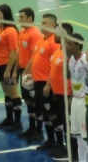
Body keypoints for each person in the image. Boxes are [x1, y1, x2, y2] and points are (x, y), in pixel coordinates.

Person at [23, 13, 60, 149]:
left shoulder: (54, 43)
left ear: (52, 25)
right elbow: (33, 58)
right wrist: (26, 72)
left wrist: (49, 85)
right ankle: (50, 140)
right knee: (44, 113)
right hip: (38, 83)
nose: (41, 24)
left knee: (52, 114)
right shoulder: (41, 40)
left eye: (44, 22)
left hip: (46, 84)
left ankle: (58, 142)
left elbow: (55, 66)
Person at [66, 31, 88, 162]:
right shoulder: (71, 60)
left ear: (78, 45)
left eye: (69, 43)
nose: (66, 46)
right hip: (76, 101)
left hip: (85, 101)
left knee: (87, 136)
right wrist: (71, 97)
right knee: (77, 135)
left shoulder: (85, 60)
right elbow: (74, 81)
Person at [0, 4, 22, 131]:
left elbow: (13, 52)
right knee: (6, 92)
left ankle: (17, 122)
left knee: (13, 93)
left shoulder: (11, 31)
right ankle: (9, 118)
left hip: (8, 64)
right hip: (0, 64)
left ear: (5, 15)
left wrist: (8, 70)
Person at [46, 22, 73, 161]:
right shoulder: (58, 50)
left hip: (66, 94)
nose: (54, 34)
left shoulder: (69, 54)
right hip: (57, 93)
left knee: (69, 125)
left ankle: (72, 153)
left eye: (57, 32)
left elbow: (75, 77)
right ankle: (66, 148)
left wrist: (71, 97)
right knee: (63, 122)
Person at [14, 7, 42, 140]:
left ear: (30, 18)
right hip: (24, 72)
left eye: (22, 17)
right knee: (28, 101)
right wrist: (16, 71)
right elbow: (20, 53)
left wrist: (28, 73)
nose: (19, 20)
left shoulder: (34, 34)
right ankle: (31, 127)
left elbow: (34, 56)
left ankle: (38, 130)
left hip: (31, 74)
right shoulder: (22, 32)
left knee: (35, 102)